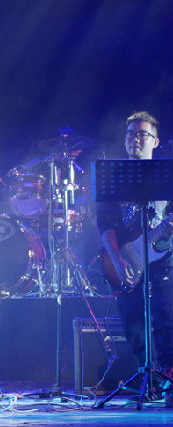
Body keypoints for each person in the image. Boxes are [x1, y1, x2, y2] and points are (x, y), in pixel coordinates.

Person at [97, 111, 173, 396]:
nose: (135, 139)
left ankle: (168, 380)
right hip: (124, 259)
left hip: (163, 258)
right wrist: (117, 258)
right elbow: (104, 222)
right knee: (133, 324)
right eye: (130, 134)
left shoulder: (169, 174)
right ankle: (146, 380)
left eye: (142, 134)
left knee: (166, 320)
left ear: (155, 141)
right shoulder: (112, 177)